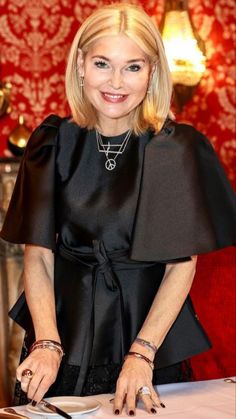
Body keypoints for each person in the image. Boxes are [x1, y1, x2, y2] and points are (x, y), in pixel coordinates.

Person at [1, 3, 236, 416]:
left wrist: (142, 353)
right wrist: (47, 342)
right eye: (102, 63)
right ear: (80, 66)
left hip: (147, 340)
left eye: (133, 67)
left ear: (152, 73)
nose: (115, 82)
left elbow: (181, 265)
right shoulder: (51, 143)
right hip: (60, 335)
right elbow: (37, 255)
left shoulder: (173, 149)